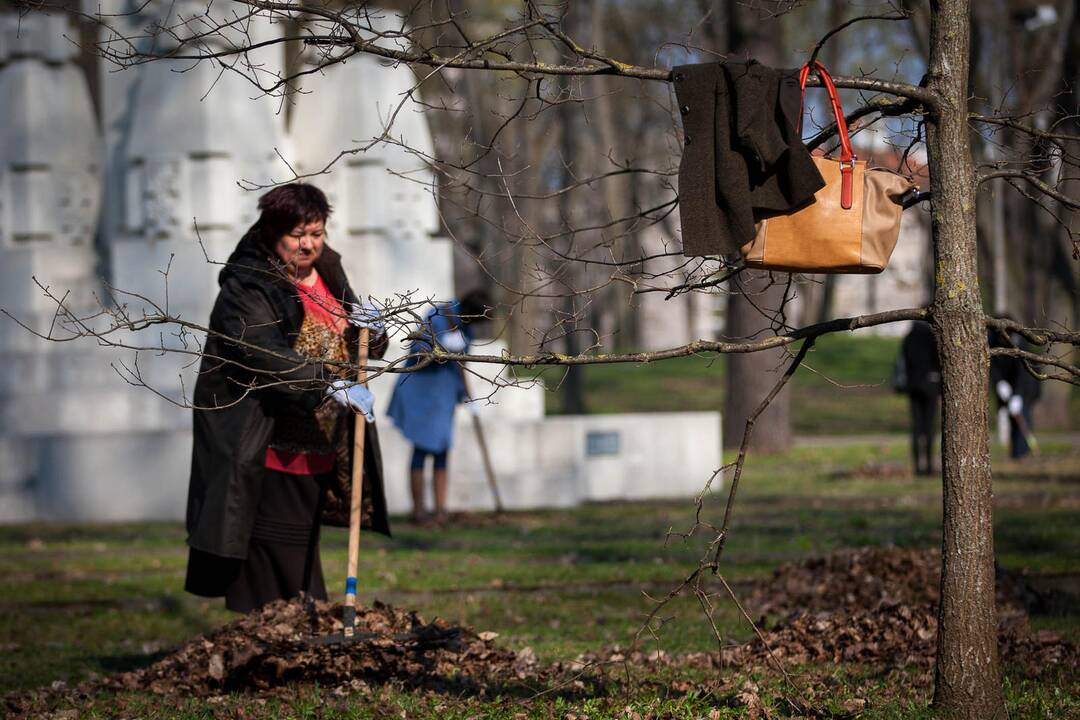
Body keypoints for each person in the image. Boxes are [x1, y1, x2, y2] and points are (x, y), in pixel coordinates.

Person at [184, 183, 391, 613]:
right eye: (298, 235)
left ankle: (297, 634)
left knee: (300, 551)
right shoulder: (248, 284)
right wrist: (327, 383)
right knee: (274, 556)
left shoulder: (328, 272)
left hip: (320, 442)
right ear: (272, 232)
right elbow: (261, 353)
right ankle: (274, 642)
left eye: (316, 233)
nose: (309, 244)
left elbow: (357, 344)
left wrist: (372, 331)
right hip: (264, 444)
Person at [386, 289, 492, 525]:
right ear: (468, 312)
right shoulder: (437, 314)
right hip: (421, 390)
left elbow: (463, 364)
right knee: (421, 449)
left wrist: (467, 397)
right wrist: (441, 347)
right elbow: (417, 350)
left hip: (443, 395)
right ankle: (419, 511)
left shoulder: (467, 330)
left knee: (442, 449)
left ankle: (441, 510)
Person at [894, 321, 942, 476]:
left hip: (913, 387)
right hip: (931, 386)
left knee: (916, 428)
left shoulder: (909, 337)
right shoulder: (931, 337)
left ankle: (917, 467)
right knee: (929, 427)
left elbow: (904, 361)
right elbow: (939, 361)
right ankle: (928, 465)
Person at [988, 324, 1041, 459]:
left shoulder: (1018, 343)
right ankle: (1015, 453)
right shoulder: (993, 340)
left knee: (1023, 415)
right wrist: (999, 382)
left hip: (1026, 385)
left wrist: (1018, 395)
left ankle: (1021, 453)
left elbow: (1022, 373)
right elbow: (993, 366)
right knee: (1013, 418)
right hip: (1008, 385)